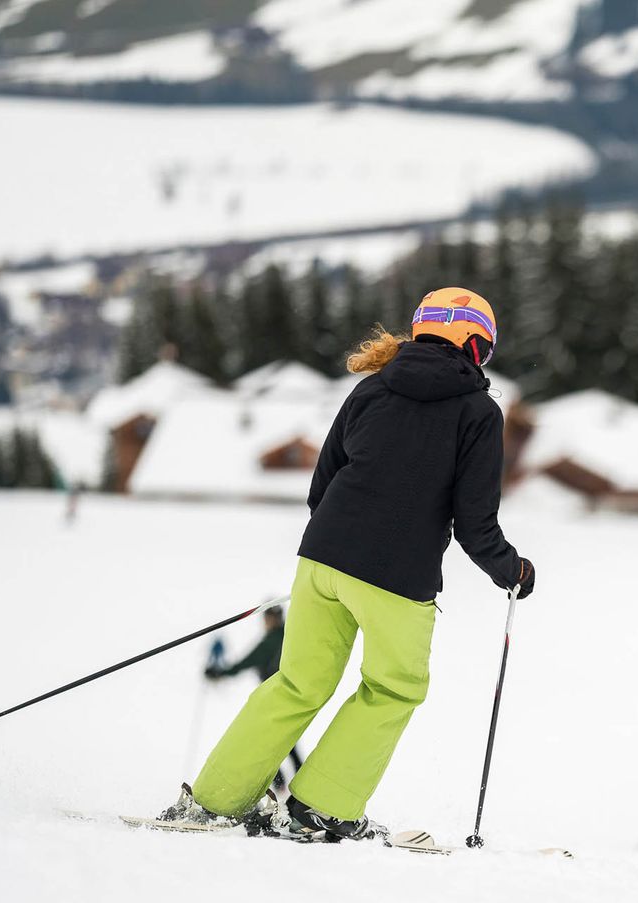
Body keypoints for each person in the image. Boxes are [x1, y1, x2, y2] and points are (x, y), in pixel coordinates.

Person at [157, 286, 535, 841]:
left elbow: (323, 484)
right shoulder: (478, 412)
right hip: (398, 579)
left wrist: (339, 546)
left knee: (296, 683)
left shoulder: (372, 388)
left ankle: (215, 802)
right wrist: (514, 572)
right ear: (474, 344)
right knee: (394, 687)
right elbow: (474, 522)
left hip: (322, 558)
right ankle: (323, 808)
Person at [205, 605, 304, 795]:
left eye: (267, 619)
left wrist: (220, 672)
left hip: (275, 695)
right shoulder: (289, 634)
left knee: (266, 739)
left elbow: (248, 661)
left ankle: (279, 784)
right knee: (284, 738)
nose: (265, 623)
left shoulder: (273, 639)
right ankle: (294, 778)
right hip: (290, 695)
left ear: (273, 619)